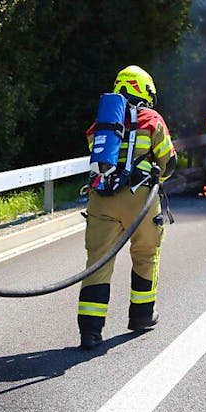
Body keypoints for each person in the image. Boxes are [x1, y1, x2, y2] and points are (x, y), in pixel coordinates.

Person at [78, 65, 177, 350]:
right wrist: (157, 179)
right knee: (146, 255)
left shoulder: (103, 122)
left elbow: (95, 151)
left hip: (102, 198)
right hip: (140, 198)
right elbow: (169, 161)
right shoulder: (151, 119)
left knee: (98, 262)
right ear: (144, 90)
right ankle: (142, 316)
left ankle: (90, 332)